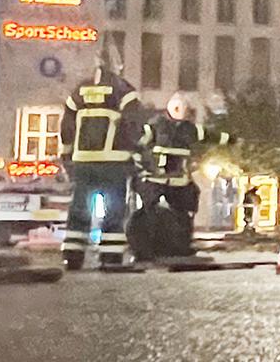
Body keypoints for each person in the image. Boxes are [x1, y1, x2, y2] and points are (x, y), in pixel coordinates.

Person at [58, 57, 144, 270]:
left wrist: (67, 155)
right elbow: (134, 125)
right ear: (118, 66)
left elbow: (67, 126)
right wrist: (137, 154)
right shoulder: (124, 92)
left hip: (84, 162)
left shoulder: (80, 91)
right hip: (113, 163)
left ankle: (73, 255)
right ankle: (111, 256)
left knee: (79, 208)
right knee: (114, 210)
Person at [134, 93, 211, 257]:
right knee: (150, 212)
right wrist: (140, 168)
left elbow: (207, 138)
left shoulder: (188, 129)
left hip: (178, 181)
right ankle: (147, 248)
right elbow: (138, 146)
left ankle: (181, 246)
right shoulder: (155, 126)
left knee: (185, 212)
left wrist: (233, 139)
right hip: (155, 179)